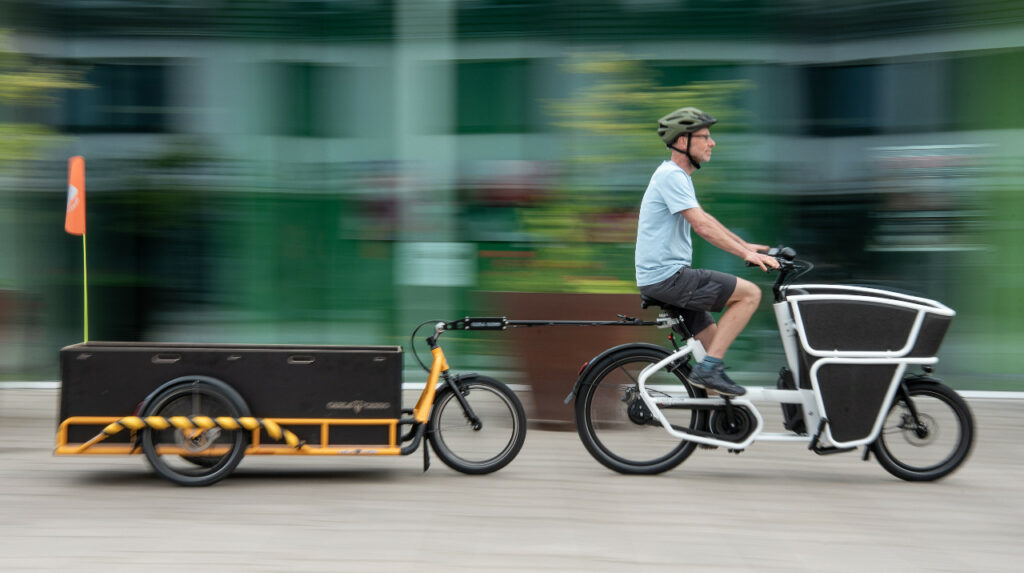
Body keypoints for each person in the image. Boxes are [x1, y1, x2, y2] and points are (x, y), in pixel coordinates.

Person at [635, 107, 779, 396]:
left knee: (714, 357)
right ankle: (708, 370)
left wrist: (745, 246)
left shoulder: (677, 177)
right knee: (750, 294)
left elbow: (706, 218)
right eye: (704, 137)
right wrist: (745, 255)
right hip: (669, 277)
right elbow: (701, 226)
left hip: (667, 277)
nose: (712, 143)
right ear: (682, 141)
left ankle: (716, 409)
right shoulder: (670, 176)